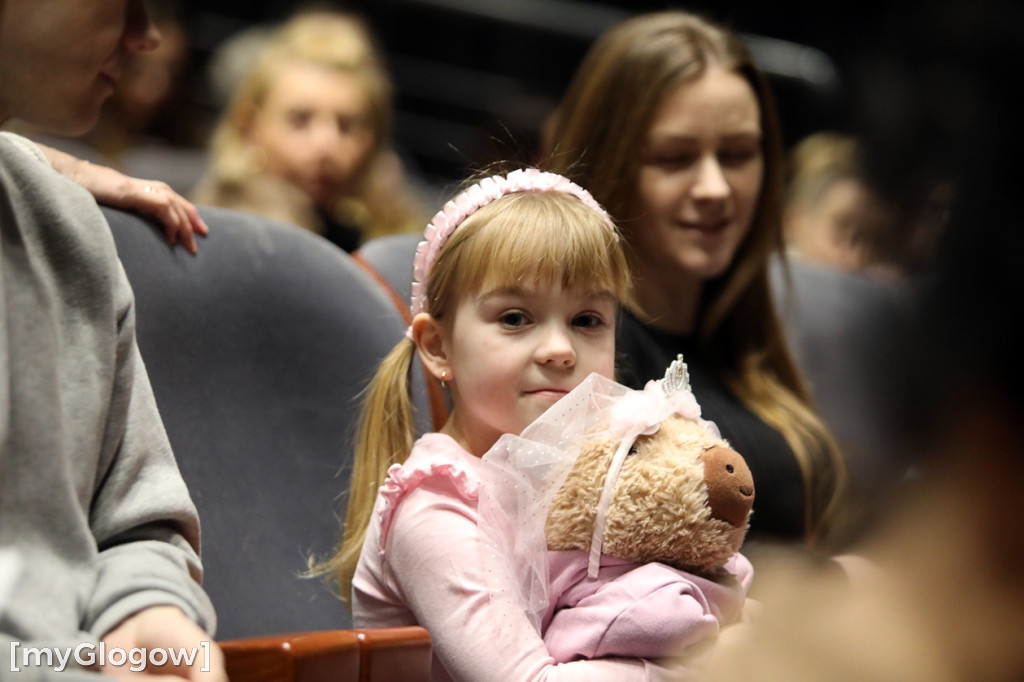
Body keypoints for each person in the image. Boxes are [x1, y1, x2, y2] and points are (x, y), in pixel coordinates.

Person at [314, 168, 709, 680]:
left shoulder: (593, 481)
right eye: (515, 319)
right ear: (437, 347)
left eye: (587, 320)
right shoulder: (436, 508)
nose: (560, 351)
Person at [542, 11, 851, 553]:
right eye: (674, 158)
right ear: (609, 164)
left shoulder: (741, 340)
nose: (714, 187)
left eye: (737, 155)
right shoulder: (586, 350)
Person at [0, 1, 224, 679]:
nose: (146, 36)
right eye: (121, 2)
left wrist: (147, 614)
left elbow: (135, 522)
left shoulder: (64, 221)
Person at [192, 8, 427, 253]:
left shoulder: (384, 240)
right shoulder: (211, 230)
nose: (327, 144)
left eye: (347, 125)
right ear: (249, 125)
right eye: (300, 120)